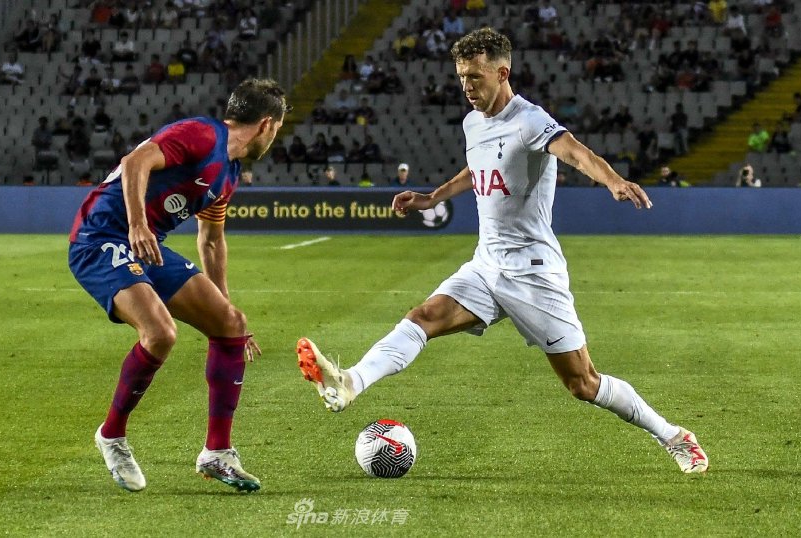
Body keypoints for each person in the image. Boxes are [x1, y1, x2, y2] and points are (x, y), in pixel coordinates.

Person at [295, 28, 708, 475]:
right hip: (486, 264)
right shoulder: (474, 122)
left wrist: (613, 180)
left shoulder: (529, 120)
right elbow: (478, 168)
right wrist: (432, 198)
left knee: (583, 383)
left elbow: (574, 152)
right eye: (461, 78)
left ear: (502, 72)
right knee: (423, 317)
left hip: (533, 274)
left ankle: (673, 435)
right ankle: (348, 382)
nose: (466, 87)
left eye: (474, 77)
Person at [69, 78, 289, 493]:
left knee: (231, 323)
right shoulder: (202, 134)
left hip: (149, 245)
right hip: (100, 238)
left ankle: (217, 454)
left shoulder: (229, 174)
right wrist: (136, 224)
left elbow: (210, 239)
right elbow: (135, 162)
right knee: (159, 332)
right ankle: (112, 435)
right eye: (278, 128)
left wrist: (222, 306)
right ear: (266, 125)